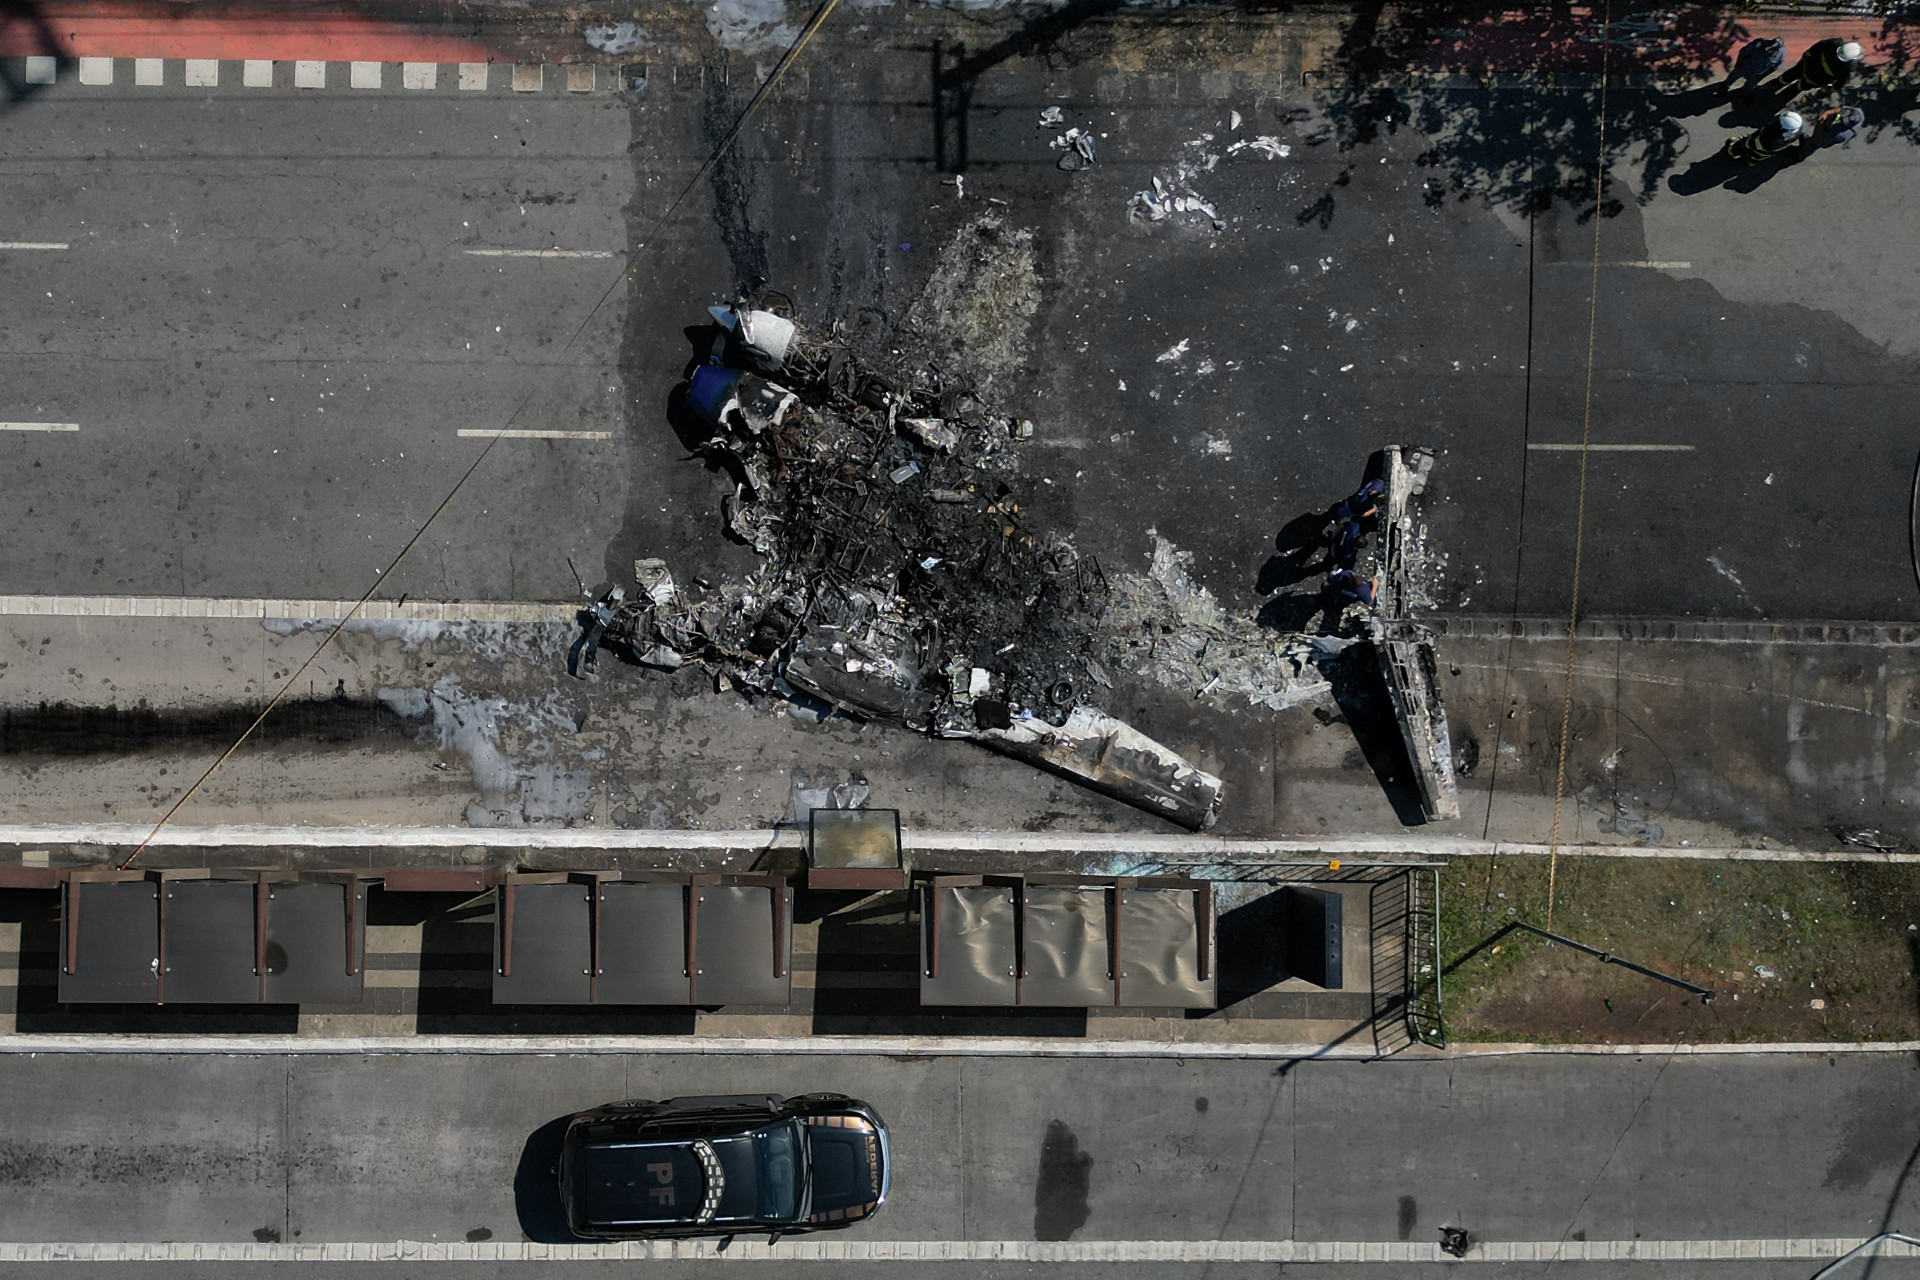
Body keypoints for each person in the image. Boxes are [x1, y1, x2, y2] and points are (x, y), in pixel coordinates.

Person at [1725, 110, 1805, 163]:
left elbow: (1754, 143)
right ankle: (1751, 162)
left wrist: (1745, 142)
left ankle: (1732, 151)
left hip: (1760, 148)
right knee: (1757, 157)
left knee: (1745, 147)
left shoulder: (1771, 137)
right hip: (1770, 152)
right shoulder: (1797, 130)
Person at [1788, 38, 1864, 92]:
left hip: (1815, 78)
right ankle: (1780, 84)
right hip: (1808, 66)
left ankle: (1792, 88)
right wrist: (1808, 55)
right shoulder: (1833, 43)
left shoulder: (1849, 67)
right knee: (1791, 75)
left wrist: (1830, 90)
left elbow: (1841, 82)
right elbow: (1819, 45)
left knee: (1799, 85)